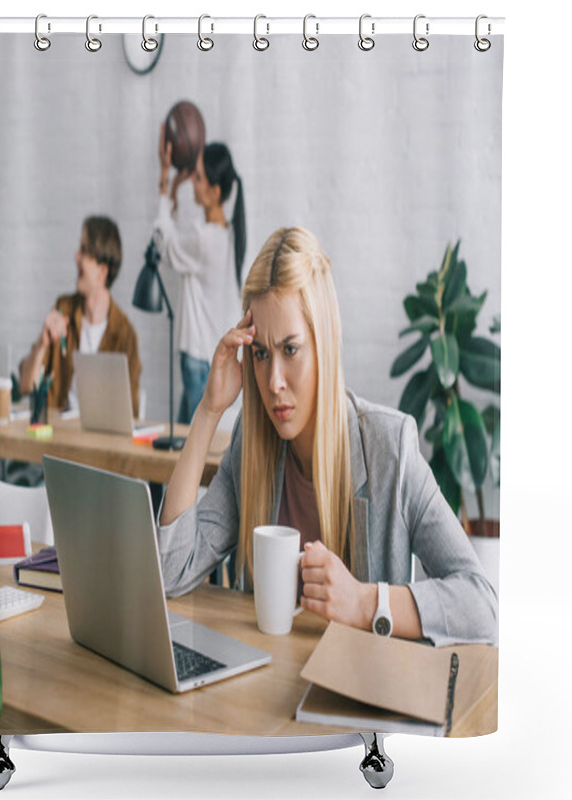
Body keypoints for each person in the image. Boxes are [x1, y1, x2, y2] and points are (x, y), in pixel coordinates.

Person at [158, 227, 498, 647]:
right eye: (260, 354)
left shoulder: (390, 449)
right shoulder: (253, 442)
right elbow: (171, 571)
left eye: (291, 349)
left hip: (354, 697)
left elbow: (481, 606)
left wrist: (365, 602)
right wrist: (209, 410)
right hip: (262, 694)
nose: (273, 382)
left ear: (325, 345)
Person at [153, 126, 246, 424]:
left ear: (215, 192)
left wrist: (165, 184)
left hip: (197, 358)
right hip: (207, 358)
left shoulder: (204, 240)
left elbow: (162, 245)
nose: (193, 181)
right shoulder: (227, 235)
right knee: (185, 445)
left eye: (199, 178)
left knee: (193, 450)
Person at [19, 216, 141, 418]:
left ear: (102, 271)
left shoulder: (125, 334)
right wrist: (43, 342)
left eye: (84, 251)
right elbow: (25, 386)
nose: (76, 257)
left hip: (100, 444)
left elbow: (131, 415)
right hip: (58, 439)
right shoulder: (63, 309)